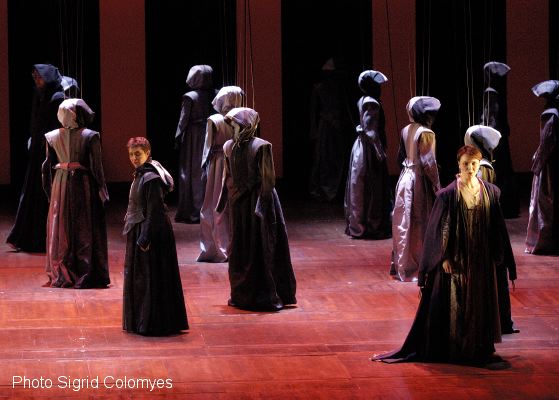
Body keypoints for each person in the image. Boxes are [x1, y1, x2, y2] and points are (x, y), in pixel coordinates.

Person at [373, 145, 516, 368]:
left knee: (482, 301)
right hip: (458, 257)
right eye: (466, 164)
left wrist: (501, 255)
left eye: (474, 164)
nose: (470, 168)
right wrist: (445, 257)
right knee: (460, 302)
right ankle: (460, 348)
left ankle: (482, 346)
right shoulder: (448, 195)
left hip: (481, 257)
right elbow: (438, 229)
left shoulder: (490, 191)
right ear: (459, 165)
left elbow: (497, 226)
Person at [217, 107, 297, 311]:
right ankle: (241, 293)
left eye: (237, 125)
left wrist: (263, 209)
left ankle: (265, 293)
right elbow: (227, 176)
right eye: (232, 125)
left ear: (247, 125)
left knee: (261, 245)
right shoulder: (228, 146)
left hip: (258, 202)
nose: (234, 129)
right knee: (240, 246)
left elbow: (267, 181)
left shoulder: (261, 146)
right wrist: (225, 201)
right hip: (239, 203)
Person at [123, 137, 188, 336]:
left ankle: (153, 322)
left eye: (138, 154)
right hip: (142, 227)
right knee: (143, 278)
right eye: (131, 154)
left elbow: (155, 210)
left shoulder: (151, 178)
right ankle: (143, 321)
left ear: (147, 153)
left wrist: (145, 238)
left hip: (152, 231)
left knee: (151, 278)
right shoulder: (142, 173)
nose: (134, 158)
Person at [42, 98, 110, 288]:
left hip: (60, 183)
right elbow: (97, 168)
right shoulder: (90, 136)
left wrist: (49, 192)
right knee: (83, 224)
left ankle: (63, 267)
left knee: (61, 223)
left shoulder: (52, 136)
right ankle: (84, 268)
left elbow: (46, 168)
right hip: (82, 183)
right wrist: (102, 191)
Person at [7, 64, 65, 252]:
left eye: (40, 77)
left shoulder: (57, 97)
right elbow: (36, 122)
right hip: (38, 153)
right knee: (32, 193)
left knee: (44, 194)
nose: (37, 81)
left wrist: (47, 144)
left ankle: (44, 238)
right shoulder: (39, 95)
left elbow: (56, 125)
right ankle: (28, 237)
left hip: (50, 153)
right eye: (35, 78)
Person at [391, 96, 441, 282]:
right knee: (420, 221)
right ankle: (419, 265)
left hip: (405, 178)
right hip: (418, 181)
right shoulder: (426, 133)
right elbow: (429, 163)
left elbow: (400, 156)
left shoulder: (406, 129)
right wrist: (437, 186)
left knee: (405, 221)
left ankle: (403, 264)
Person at [197, 86, 245, 262]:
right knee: (230, 204)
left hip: (218, 164)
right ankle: (232, 246)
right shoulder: (242, 117)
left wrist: (204, 167)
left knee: (215, 203)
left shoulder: (215, 120)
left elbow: (207, 147)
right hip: (235, 162)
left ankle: (218, 248)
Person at [344, 70, 392, 239]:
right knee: (371, 186)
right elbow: (371, 130)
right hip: (369, 149)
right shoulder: (372, 103)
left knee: (360, 184)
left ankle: (359, 223)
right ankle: (370, 224)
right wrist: (379, 152)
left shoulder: (363, 99)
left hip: (361, 147)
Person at [309, 57, 354, 202]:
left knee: (336, 157)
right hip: (325, 125)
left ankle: (333, 189)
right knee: (322, 156)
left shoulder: (339, 89)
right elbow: (313, 110)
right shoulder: (318, 88)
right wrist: (314, 129)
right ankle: (321, 189)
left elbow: (345, 108)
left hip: (337, 125)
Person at [174, 65, 215, 223]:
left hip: (193, 137)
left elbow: (183, 120)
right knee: (206, 171)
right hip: (211, 133)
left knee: (192, 171)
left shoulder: (190, 97)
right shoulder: (215, 93)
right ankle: (206, 209)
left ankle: (193, 210)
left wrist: (178, 137)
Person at [481, 61, 519, 218]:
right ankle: (504, 203)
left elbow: (490, 117)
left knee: (496, 168)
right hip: (498, 135)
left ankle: (496, 203)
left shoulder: (490, 92)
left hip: (494, 136)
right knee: (501, 168)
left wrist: (485, 136)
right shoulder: (496, 92)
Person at [525, 80, 559, 255]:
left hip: (549, 163)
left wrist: (537, 164)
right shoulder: (555, 112)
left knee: (545, 199)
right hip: (553, 159)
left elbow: (547, 142)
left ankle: (545, 241)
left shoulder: (550, 113)